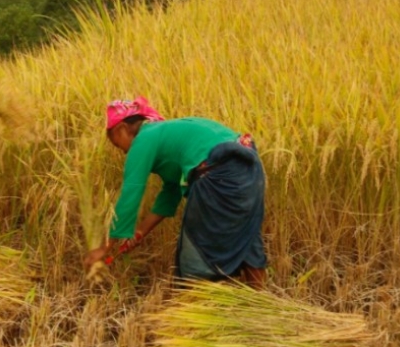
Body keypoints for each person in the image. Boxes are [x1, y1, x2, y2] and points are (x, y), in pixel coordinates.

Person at [83, 96, 268, 287]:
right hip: (249, 166)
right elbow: (170, 193)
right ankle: (259, 299)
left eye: (116, 144)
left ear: (121, 129)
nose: (123, 152)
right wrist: (140, 232)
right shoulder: (163, 133)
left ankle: (191, 303)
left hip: (218, 173)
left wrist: (106, 247)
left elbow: (132, 190)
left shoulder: (144, 139)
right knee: (246, 233)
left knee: (197, 254)